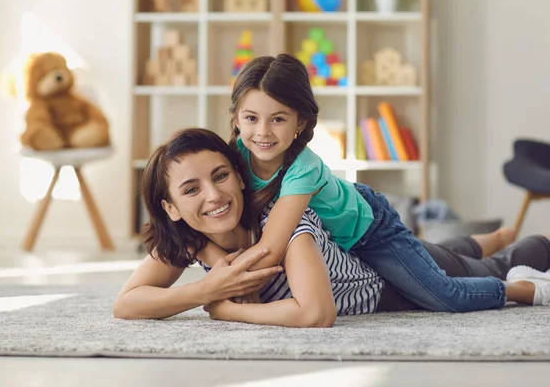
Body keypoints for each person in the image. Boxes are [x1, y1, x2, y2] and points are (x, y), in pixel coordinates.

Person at [195, 52, 549, 313]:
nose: (263, 132)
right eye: (251, 118)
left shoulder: (302, 167)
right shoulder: (233, 156)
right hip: (335, 243)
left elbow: (272, 248)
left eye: (278, 119)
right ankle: (479, 241)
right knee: (429, 263)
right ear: (236, 119)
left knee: (444, 295)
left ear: (301, 123)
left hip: (370, 231)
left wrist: (221, 281)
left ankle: (519, 289)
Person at [112, 128, 550, 327]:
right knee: (442, 250)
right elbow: (126, 304)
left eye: (221, 176)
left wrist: (228, 307)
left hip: (385, 283)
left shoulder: (282, 225)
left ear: (239, 175)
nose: (213, 196)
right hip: (373, 254)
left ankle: (507, 246)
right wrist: (206, 290)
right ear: (170, 208)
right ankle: (475, 239)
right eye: (191, 189)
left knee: (502, 266)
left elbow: (316, 313)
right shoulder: (186, 237)